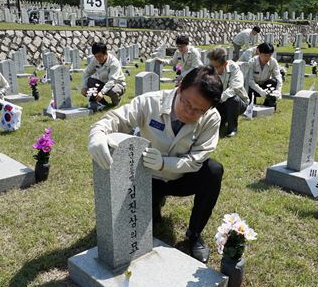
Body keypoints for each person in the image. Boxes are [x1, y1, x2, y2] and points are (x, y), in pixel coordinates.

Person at [87, 66, 224, 263]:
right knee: (137, 223)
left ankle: (194, 234)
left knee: (213, 171)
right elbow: (115, 118)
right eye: (186, 102)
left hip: (180, 178)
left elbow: (197, 159)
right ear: (179, 88)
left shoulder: (211, 119)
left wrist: (164, 163)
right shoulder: (150, 102)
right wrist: (97, 134)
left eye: (198, 110)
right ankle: (154, 203)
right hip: (146, 178)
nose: (189, 112)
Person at [207, 48, 248, 137]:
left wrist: (220, 98)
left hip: (238, 102)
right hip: (219, 102)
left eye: (217, 67)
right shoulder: (210, 68)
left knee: (232, 99)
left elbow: (235, 87)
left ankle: (232, 128)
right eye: (212, 66)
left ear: (225, 64)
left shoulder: (234, 68)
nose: (214, 69)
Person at [80, 42, 126, 111]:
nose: (98, 58)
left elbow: (112, 80)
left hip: (117, 84)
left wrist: (102, 92)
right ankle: (102, 103)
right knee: (90, 81)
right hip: (102, 83)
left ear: (106, 53)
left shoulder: (114, 63)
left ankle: (116, 101)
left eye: (100, 56)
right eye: (96, 56)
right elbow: (86, 73)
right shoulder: (95, 60)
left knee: (113, 91)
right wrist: (83, 87)